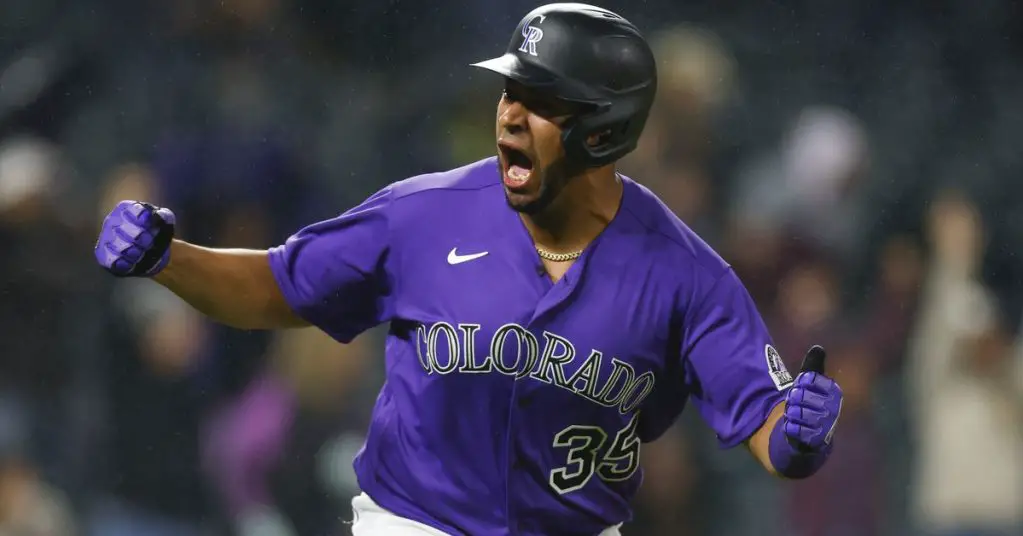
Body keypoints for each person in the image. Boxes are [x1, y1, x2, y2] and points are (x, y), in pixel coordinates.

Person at [93, 4, 844, 535]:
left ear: (606, 129)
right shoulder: (421, 214)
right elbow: (276, 287)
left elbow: (767, 424)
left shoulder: (684, 272)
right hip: (414, 524)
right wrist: (171, 260)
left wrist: (800, 436)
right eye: (509, 91)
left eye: (541, 100)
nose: (510, 114)